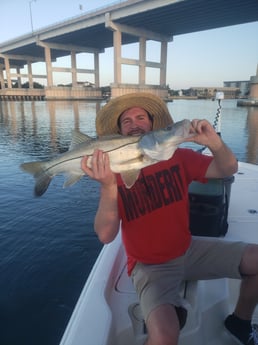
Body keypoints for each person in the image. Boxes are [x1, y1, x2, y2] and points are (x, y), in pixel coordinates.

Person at [81, 92, 258, 345]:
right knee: (165, 336)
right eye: (126, 121)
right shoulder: (114, 171)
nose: (133, 123)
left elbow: (228, 169)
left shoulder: (178, 157)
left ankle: (239, 323)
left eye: (140, 117)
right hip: (150, 267)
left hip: (188, 250)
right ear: (119, 131)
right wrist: (108, 186)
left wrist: (214, 144)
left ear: (152, 125)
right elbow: (106, 235)